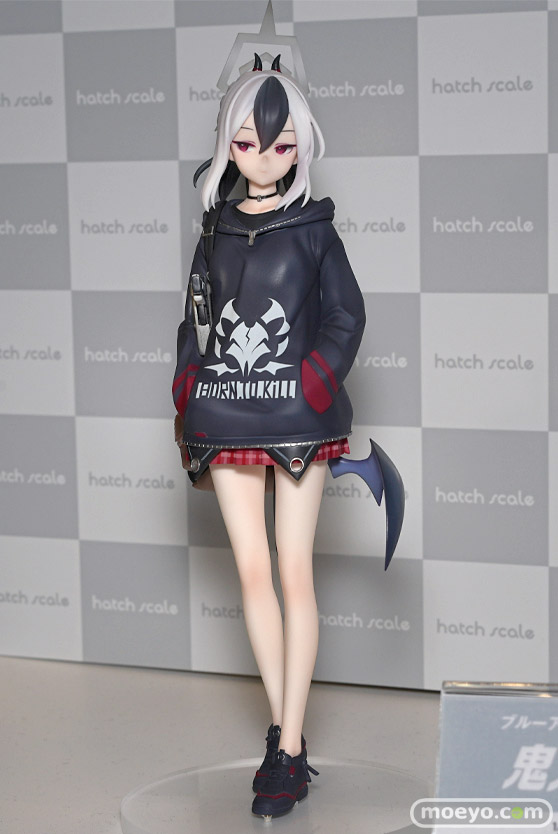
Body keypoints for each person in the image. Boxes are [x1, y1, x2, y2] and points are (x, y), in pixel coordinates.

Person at [172, 53, 366, 820]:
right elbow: (194, 320)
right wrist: (188, 385)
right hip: (225, 415)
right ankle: (284, 736)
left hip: (294, 423)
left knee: (292, 571)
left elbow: (346, 317)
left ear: (301, 147)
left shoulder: (316, 231)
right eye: (247, 141)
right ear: (228, 142)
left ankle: (288, 744)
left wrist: (313, 383)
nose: (262, 155)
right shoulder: (214, 230)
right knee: (253, 573)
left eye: (281, 144)